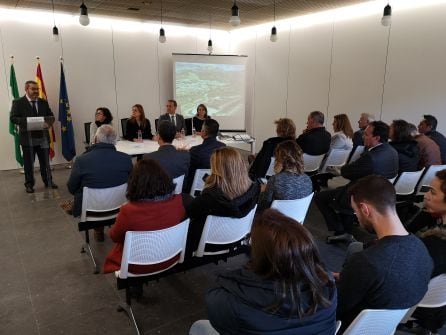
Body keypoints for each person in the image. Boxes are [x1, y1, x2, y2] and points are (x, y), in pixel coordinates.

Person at [192, 209, 336, 335]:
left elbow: (218, 317)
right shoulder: (328, 286)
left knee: (198, 327)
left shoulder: (230, 301)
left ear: (261, 255)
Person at [336, 175, 433, 332]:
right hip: (381, 328)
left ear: (365, 209)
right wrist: (350, 279)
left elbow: (336, 306)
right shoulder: (422, 250)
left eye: (356, 212)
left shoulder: (366, 261)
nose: (358, 219)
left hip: (347, 326)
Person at [315, 121, 399, 243]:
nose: (363, 136)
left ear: (377, 138)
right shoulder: (392, 151)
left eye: (366, 134)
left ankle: (341, 231)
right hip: (380, 193)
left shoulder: (371, 157)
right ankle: (347, 228)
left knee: (320, 197)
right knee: (339, 192)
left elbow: (348, 172)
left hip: (362, 194)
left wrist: (340, 169)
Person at [103, 159, 185, 274]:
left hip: (137, 265)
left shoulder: (129, 211)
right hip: (170, 257)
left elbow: (114, 237)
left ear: (134, 183)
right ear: (164, 178)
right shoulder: (178, 201)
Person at [185, 147, 260, 256]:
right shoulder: (253, 190)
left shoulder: (209, 198)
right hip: (236, 237)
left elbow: (190, 213)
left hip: (207, 243)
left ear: (216, 170)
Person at [67, 125, 133, 241]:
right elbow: (132, 185)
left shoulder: (82, 160)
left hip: (91, 213)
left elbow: (71, 188)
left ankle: (98, 230)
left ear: (96, 139)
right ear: (114, 141)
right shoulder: (126, 159)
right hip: (120, 209)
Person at [10, 80, 57, 193]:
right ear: (27, 89)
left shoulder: (43, 102)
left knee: (45, 162)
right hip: (28, 139)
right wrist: (28, 121)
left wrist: (48, 122)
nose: (36, 91)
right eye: (33, 89)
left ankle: (48, 181)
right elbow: (13, 118)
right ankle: (29, 184)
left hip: (43, 138)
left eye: (37, 89)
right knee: (29, 164)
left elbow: (51, 116)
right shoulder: (18, 102)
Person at [257, 140, 312, 211]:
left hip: (276, 218)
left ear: (280, 159)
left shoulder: (276, 179)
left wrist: (262, 190)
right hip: (296, 217)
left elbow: (264, 205)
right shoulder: (308, 180)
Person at [185, 119, 226, 192]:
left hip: (197, 188)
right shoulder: (223, 147)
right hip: (219, 186)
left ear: (203, 132)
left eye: (201, 129)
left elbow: (188, 170)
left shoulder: (195, 151)